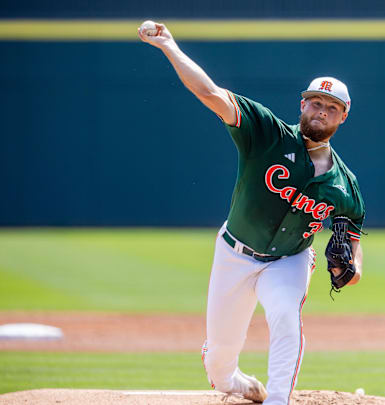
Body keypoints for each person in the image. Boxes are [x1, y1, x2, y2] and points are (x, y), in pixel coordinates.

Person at [138, 22, 366, 405]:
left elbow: (353, 231)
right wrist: (169, 46)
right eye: (315, 102)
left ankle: (279, 400)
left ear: (343, 117)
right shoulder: (266, 133)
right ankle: (241, 385)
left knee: (285, 317)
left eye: (332, 107)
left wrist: (355, 266)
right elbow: (210, 93)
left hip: (289, 261)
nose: (321, 110)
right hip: (234, 254)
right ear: (302, 105)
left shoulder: (344, 184)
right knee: (219, 362)